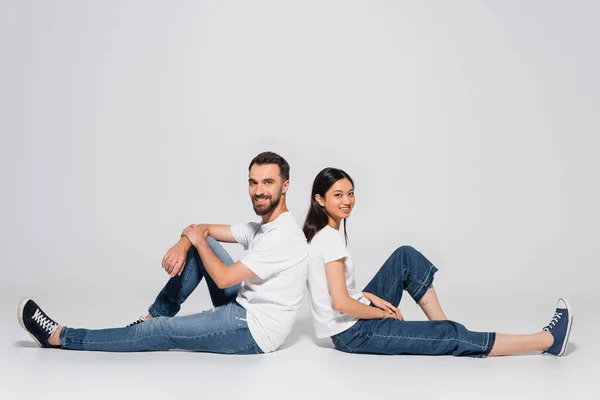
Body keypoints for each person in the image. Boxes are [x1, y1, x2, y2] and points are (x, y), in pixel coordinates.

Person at [18, 151, 308, 354]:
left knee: (161, 333)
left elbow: (222, 279)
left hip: (254, 331)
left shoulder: (283, 235)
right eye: (253, 182)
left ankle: (60, 336)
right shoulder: (262, 227)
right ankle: (153, 316)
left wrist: (196, 239)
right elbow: (202, 228)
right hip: (244, 306)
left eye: (267, 182)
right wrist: (185, 243)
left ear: (285, 186)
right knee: (202, 247)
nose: (258, 191)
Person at [303, 167, 573, 357]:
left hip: (349, 322)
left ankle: (441, 330)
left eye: (350, 193)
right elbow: (340, 303)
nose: (347, 200)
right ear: (320, 199)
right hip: (353, 334)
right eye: (338, 195)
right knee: (452, 336)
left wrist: (362, 295)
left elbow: (332, 289)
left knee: (404, 256)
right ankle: (547, 341)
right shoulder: (331, 240)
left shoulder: (322, 235)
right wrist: (382, 313)